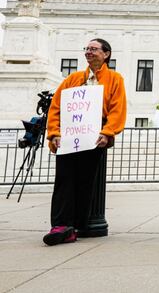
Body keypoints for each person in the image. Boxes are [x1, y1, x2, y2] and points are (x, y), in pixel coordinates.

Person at [43, 39, 127, 246]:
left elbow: (118, 109)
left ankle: (76, 225)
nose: (89, 52)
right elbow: (56, 107)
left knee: (85, 181)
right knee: (64, 180)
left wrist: (108, 132)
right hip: (68, 137)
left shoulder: (115, 79)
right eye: (87, 49)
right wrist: (54, 132)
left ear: (106, 54)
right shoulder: (72, 79)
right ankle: (60, 224)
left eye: (94, 49)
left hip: (94, 137)